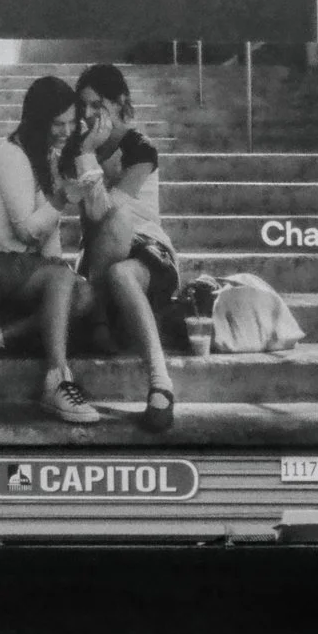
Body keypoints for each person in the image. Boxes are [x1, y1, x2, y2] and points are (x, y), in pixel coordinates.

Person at [0, 74, 103, 423]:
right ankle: (57, 380)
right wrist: (63, 199)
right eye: (58, 123)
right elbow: (25, 232)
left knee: (84, 295)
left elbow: (48, 236)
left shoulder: (46, 155)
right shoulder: (12, 156)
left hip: (19, 265)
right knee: (63, 281)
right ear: (38, 120)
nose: (67, 131)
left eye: (72, 122)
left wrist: (60, 273)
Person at [67, 64, 180, 433]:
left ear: (119, 103)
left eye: (96, 105)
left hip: (147, 255)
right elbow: (90, 222)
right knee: (102, 263)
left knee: (119, 258)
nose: (87, 114)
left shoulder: (139, 148)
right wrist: (84, 152)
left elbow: (104, 211)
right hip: (97, 259)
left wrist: (87, 153)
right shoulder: (78, 149)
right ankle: (98, 319)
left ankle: (160, 382)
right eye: (82, 106)